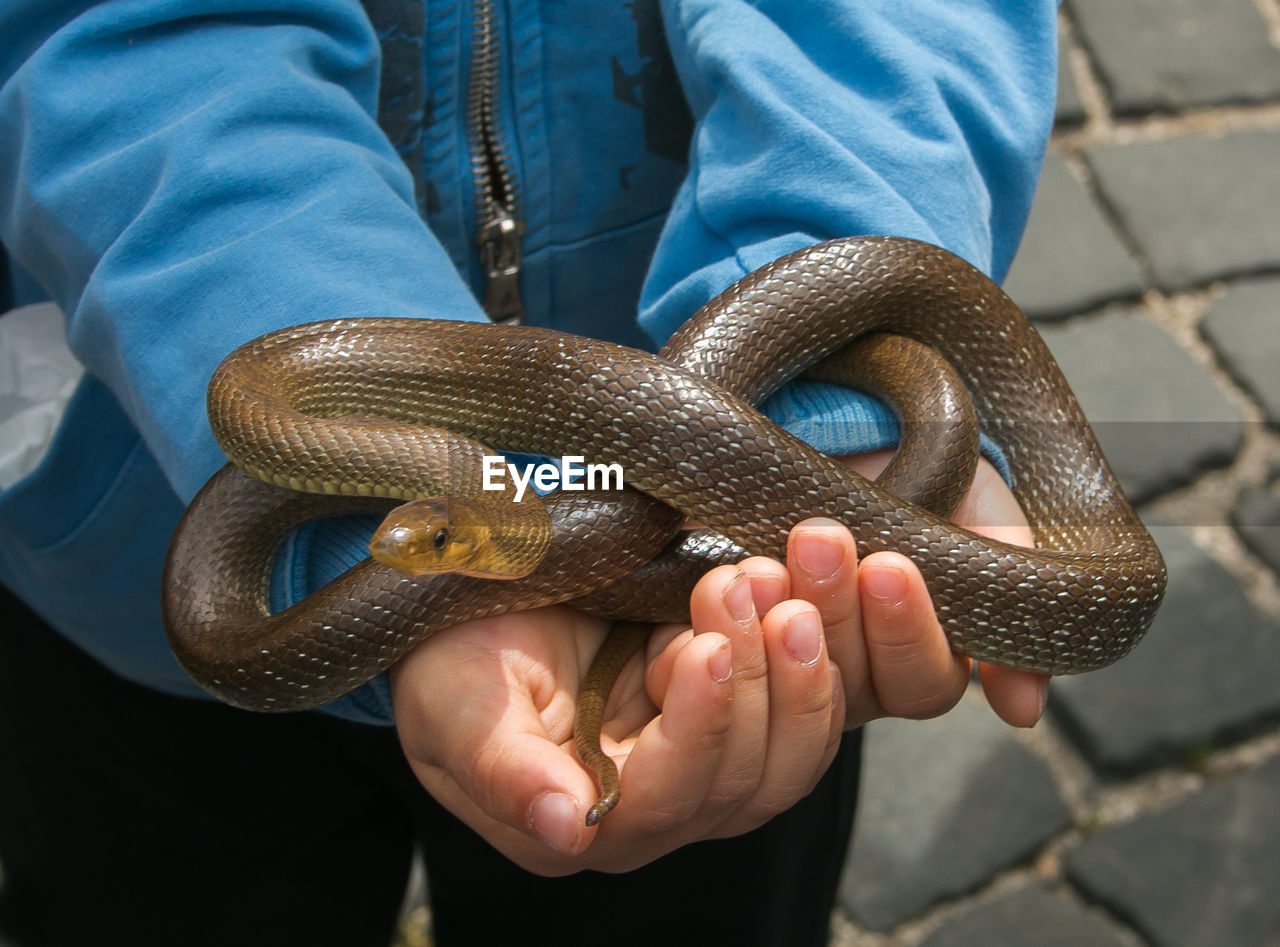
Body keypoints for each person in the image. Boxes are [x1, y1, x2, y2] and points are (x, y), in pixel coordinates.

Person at [0, 0, 1059, 944]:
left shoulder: (518, 519)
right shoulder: (393, 478)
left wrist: (826, 420)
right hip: (122, 595)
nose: (403, 545)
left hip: (697, 636)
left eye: (435, 536)